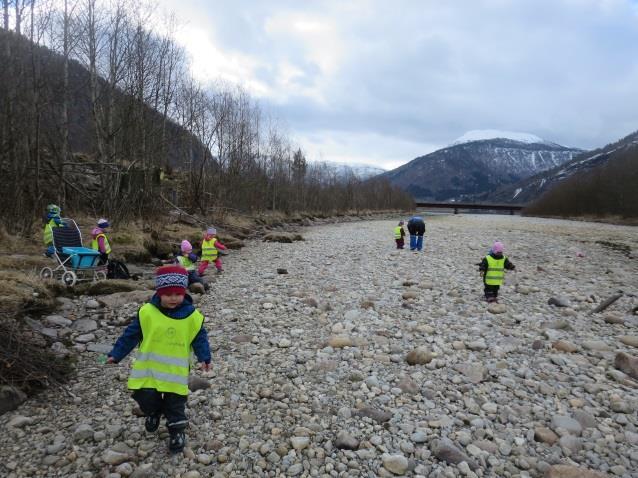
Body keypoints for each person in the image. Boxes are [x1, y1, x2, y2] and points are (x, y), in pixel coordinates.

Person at [106, 265, 211, 453]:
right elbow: (130, 335)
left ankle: (177, 432)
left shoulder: (192, 317)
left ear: (184, 292)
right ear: (159, 292)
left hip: (175, 373)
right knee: (143, 396)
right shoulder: (146, 312)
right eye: (168, 294)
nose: (173, 298)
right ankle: (153, 412)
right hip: (149, 370)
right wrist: (116, 354)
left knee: (175, 404)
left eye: (178, 293)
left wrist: (204, 356)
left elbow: (199, 337)